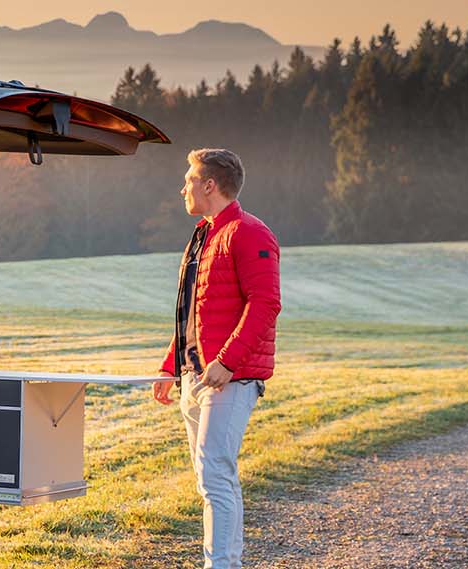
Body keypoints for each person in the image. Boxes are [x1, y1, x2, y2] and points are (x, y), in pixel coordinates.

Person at [153, 149, 280, 568]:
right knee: (209, 478)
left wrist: (227, 362)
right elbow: (191, 310)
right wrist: (170, 366)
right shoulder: (202, 236)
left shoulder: (249, 232)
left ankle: (222, 564)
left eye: (189, 180)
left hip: (231, 377)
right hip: (196, 376)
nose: (182, 188)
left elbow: (265, 303)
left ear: (209, 185)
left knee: (215, 476)